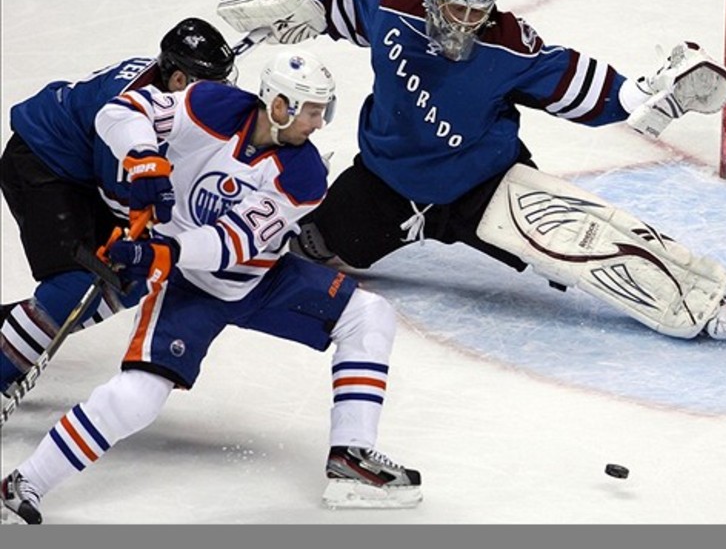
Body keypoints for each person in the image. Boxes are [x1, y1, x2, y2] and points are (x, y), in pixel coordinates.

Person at [215, 0, 726, 341]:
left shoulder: (508, 44)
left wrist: (637, 94)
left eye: (477, 12)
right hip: (385, 183)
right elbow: (332, 3)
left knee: (568, 247)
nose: (466, 23)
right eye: (456, 10)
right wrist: (292, 3)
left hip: (480, 182)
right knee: (316, 247)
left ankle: (698, 297)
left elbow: (575, 85)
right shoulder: (389, 5)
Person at [1, 50, 420, 524]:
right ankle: (23, 483)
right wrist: (143, 159)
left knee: (369, 314)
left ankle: (351, 456)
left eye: (323, 109)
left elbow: (232, 244)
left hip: (261, 280)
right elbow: (120, 111)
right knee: (139, 396)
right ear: (278, 106)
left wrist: (162, 253)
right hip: (186, 289)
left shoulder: (304, 175)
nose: (319, 123)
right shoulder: (210, 106)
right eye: (311, 110)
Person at [0, 18, 236, 396]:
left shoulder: (165, 89)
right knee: (80, 281)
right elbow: (124, 208)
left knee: (132, 276)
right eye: (214, 83)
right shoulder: (127, 122)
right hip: (40, 163)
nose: (224, 92)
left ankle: (14, 326)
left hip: (77, 170)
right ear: (177, 80)